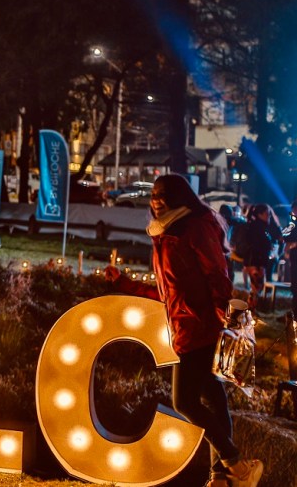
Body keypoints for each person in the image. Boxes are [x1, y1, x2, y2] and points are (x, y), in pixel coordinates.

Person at [104, 174, 263, 487]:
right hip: (185, 329)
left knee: (184, 402)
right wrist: (124, 283)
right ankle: (221, 477)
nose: (156, 200)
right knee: (215, 402)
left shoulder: (194, 227)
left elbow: (217, 276)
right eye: (153, 195)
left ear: (180, 196)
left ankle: (238, 466)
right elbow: (169, 293)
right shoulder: (165, 234)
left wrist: (226, 320)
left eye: (163, 194)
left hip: (202, 329)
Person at [239, 204, 278, 309]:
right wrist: (267, 247)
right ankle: (250, 310)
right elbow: (256, 245)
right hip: (255, 262)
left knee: (256, 287)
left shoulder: (260, 226)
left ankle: (251, 309)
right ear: (259, 214)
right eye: (267, 213)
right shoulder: (256, 227)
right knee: (256, 287)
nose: (269, 216)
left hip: (257, 261)